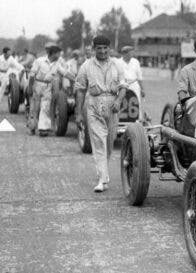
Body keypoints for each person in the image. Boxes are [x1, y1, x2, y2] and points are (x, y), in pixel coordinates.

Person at [74, 35, 127, 192]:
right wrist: (78, 113)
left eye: (105, 48)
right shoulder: (86, 66)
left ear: (109, 49)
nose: (102, 51)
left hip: (112, 106)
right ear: (93, 49)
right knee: (98, 142)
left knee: (109, 142)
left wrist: (118, 101)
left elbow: (124, 86)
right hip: (94, 105)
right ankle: (102, 179)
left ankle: (104, 174)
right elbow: (80, 90)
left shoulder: (117, 65)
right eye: (99, 48)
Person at [27, 43, 71, 136]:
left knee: (45, 107)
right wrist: (30, 88)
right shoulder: (39, 61)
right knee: (35, 108)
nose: (59, 56)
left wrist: (77, 78)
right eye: (58, 54)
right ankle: (32, 127)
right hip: (37, 85)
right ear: (53, 53)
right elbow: (32, 75)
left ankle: (43, 129)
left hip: (48, 86)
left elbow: (65, 73)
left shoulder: (57, 64)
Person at [118, 45, 146, 121]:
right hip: (122, 85)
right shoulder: (118, 62)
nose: (132, 54)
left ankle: (137, 120)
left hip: (134, 84)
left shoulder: (135, 62)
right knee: (121, 102)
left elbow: (139, 76)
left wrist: (142, 89)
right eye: (130, 53)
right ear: (125, 53)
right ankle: (120, 119)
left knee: (137, 102)